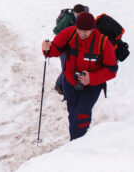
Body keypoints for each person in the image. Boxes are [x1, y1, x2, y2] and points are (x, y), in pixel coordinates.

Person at [41, 12, 117, 140]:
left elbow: (112, 70)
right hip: (70, 82)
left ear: (93, 29)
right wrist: (46, 48)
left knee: (82, 115)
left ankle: (76, 144)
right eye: (79, 30)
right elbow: (54, 50)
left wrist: (91, 78)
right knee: (73, 113)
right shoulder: (68, 33)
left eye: (86, 31)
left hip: (92, 86)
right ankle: (77, 143)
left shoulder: (103, 42)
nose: (82, 34)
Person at [52, 4, 89, 94]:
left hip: (75, 48)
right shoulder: (69, 18)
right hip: (64, 48)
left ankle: (63, 86)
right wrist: (66, 34)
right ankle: (59, 86)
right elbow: (56, 30)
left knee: (71, 69)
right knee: (66, 69)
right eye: (77, 14)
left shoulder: (86, 20)